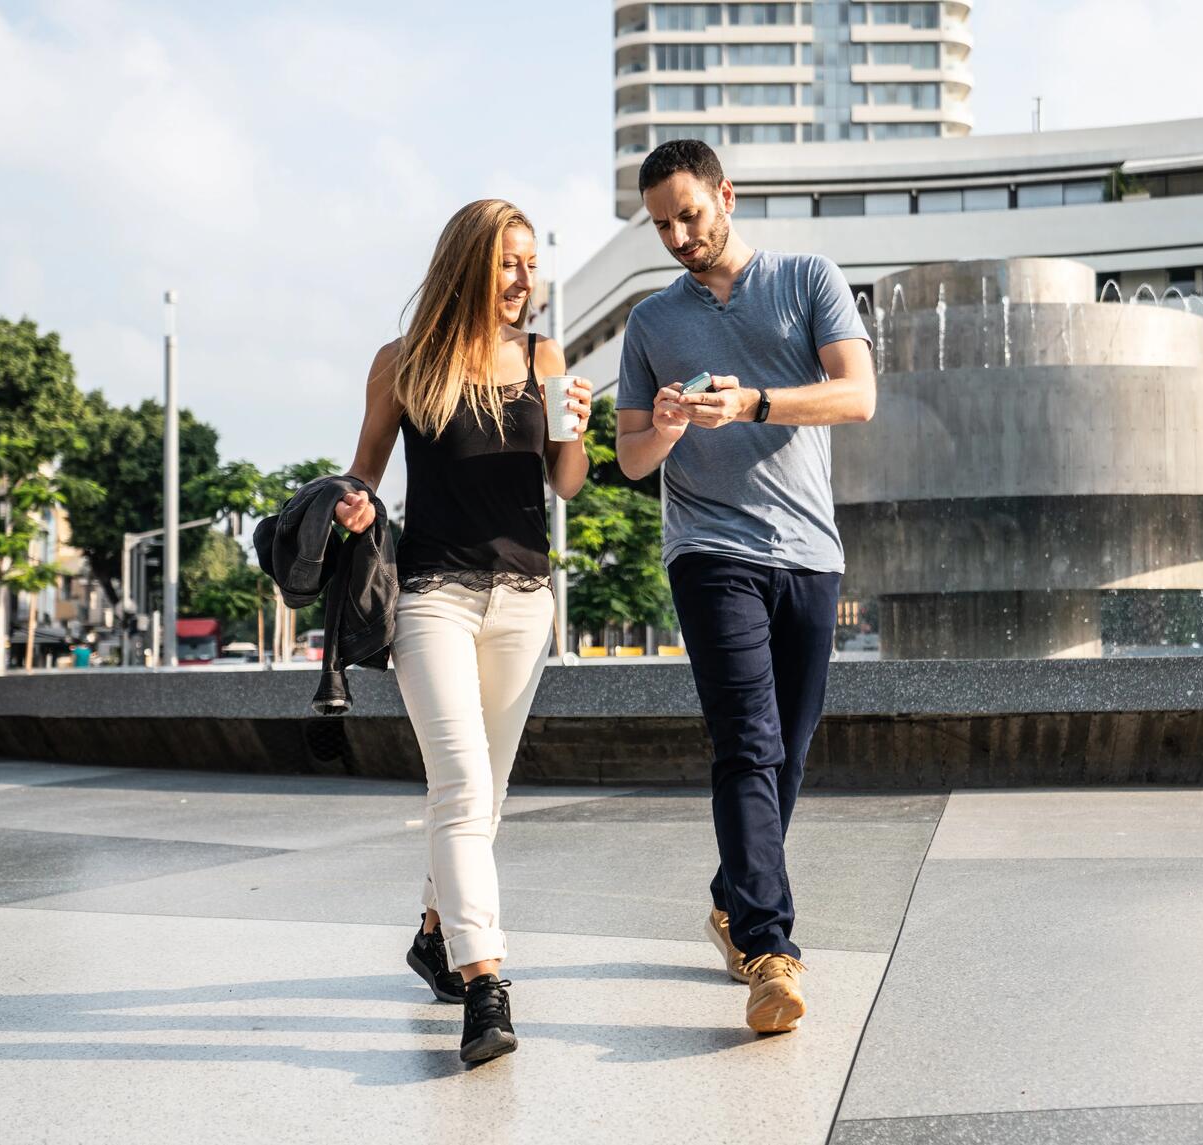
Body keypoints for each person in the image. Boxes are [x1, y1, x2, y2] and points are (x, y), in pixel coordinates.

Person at [615, 140, 876, 1035]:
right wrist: (670, 425)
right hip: (708, 550)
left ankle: (733, 896)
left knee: (789, 751)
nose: (678, 235)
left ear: (726, 195)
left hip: (809, 552)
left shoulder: (809, 278)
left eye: (689, 214)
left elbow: (857, 394)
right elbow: (630, 456)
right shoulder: (651, 324)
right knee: (747, 741)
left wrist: (755, 402)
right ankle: (771, 950)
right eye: (661, 225)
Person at [335, 199, 591, 1065]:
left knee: (486, 796)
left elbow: (568, 483)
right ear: (468, 266)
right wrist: (351, 500)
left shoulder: (545, 357)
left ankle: (434, 932)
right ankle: (485, 985)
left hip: (525, 598)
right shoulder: (403, 362)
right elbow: (364, 472)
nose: (524, 280)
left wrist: (576, 427)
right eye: (507, 263)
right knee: (460, 785)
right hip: (433, 597)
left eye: (530, 262)